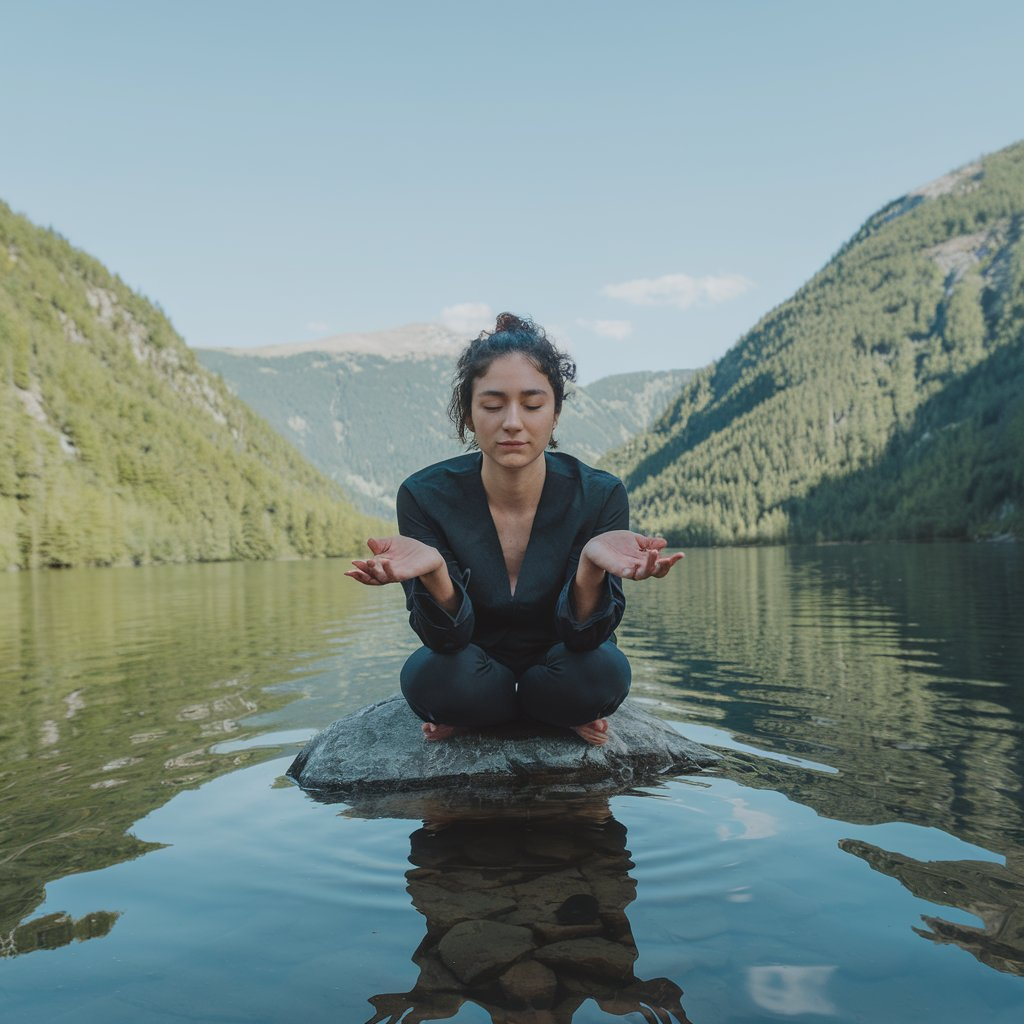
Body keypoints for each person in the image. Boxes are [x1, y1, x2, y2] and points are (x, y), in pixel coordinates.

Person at [345, 312, 683, 746]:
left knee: (601, 672)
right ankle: (534, 712)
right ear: (468, 414)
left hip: (564, 662)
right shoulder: (423, 495)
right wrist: (434, 574)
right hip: (473, 662)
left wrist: (590, 570)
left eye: (532, 404)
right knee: (430, 677)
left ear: (556, 413)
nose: (512, 422)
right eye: (492, 404)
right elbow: (444, 640)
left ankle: (501, 713)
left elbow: (588, 637)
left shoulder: (600, 495)